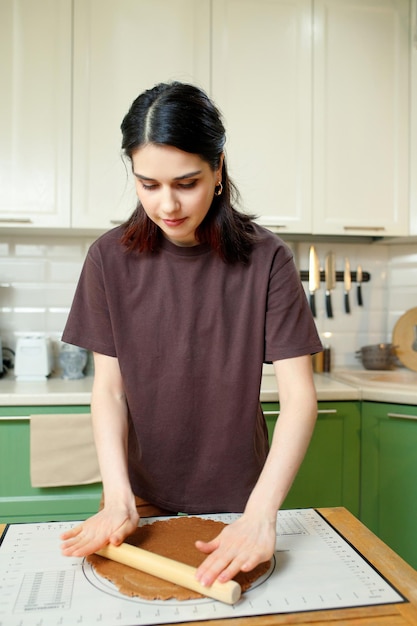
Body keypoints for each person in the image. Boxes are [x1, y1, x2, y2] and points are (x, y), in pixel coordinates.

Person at [60, 81, 322, 588]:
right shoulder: (107, 259)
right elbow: (109, 390)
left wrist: (262, 515)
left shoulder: (267, 260)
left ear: (218, 167)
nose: (167, 206)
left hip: (241, 501)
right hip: (135, 497)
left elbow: (299, 399)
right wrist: (117, 497)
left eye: (186, 182)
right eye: (148, 184)